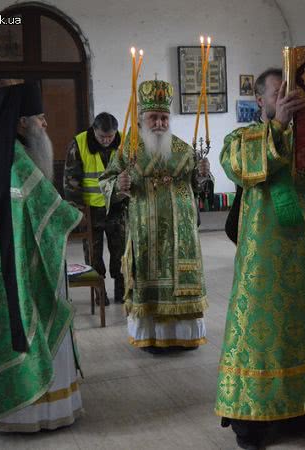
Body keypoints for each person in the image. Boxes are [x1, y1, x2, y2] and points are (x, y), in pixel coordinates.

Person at [215, 68, 305, 450]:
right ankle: (254, 424)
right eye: (279, 94)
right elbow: (240, 167)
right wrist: (278, 125)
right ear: (260, 100)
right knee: (262, 339)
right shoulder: (241, 137)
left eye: (292, 94)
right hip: (263, 260)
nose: (287, 100)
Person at [0, 82, 83, 431]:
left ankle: (18, 410)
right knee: (33, 325)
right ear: (21, 123)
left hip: (3, 265)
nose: (45, 125)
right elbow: (53, 214)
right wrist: (72, 214)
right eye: (40, 119)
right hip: (22, 267)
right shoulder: (20, 163)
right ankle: (40, 409)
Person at [100, 79, 208, 353]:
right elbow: (107, 180)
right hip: (144, 232)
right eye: (153, 118)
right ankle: (151, 337)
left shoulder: (184, 150)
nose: (159, 123)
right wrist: (118, 184)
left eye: (163, 117)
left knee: (178, 283)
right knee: (148, 282)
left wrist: (203, 174)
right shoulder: (128, 151)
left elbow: (198, 185)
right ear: (141, 119)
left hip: (180, 233)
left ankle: (184, 337)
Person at [64, 112, 126, 303]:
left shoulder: (124, 141)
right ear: (94, 131)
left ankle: (121, 290)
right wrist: (78, 212)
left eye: (110, 136)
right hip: (90, 210)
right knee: (93, 254)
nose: (107, 140)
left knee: (121, 252)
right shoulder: (79, 143)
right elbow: (70, 182)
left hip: (116, 206)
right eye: (102, 137)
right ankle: (99, 293)